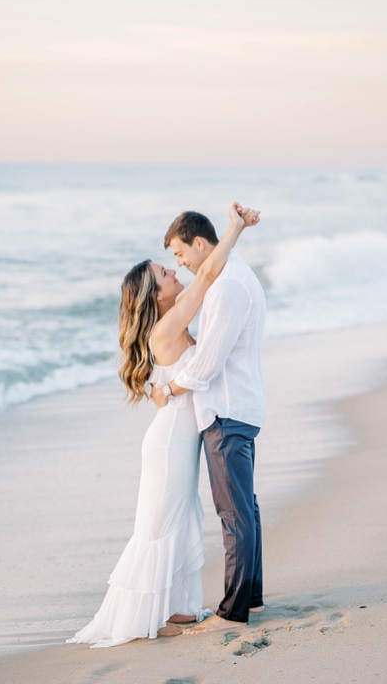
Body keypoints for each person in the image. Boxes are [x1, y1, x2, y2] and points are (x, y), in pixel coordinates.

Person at [68, 203, 259, 648]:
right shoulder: (168, 324)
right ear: (156, 295)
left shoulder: (170, 323)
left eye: (172, 263)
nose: (175, 272)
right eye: (165, 272)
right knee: (161, 525)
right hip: (171, 443)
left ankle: (174, 610)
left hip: (177, 438)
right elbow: (210, 276)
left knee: (178, 520)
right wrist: (235, 228)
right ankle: (139, 619)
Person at [151, 205, 269, 630]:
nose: (180, 264)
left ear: (199, 243)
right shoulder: (228, 277)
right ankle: (250, 596)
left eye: (181, 255)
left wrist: (166, 388)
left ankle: (234, 610)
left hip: (226, 409)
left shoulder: (227, 287)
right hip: (238, 405)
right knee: (245, 509)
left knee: (234, 513)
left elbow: (207, 364)